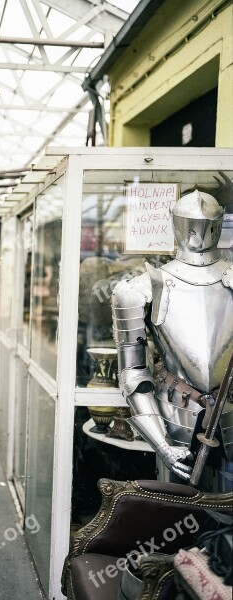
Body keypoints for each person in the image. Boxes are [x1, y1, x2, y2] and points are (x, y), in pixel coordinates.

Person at [111, 189, 233, 491]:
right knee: (175, 507)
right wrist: (161, 443)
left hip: (229, 404)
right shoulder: (139, 289)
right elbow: (132, 375)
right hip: (173, 411)